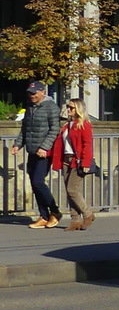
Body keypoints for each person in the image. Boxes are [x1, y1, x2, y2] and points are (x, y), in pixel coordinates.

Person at [11, 81, 61, 229]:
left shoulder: (51, 107)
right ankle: (44, 215)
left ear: (42, 92)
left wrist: (45, 147)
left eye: (34, 93)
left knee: (38, 181)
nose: (31, 95)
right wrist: (17, 144)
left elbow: (54, 129)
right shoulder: (30, 107)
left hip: (44, 152)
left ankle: (55, 212)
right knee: (34, 182)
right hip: (32, 150)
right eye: (29, 93)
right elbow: (25, 129)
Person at [51, 98, 96, 231]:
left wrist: (86, 161)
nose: (69, 109)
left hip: (77, 161)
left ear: (78, 109)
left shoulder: (84, 124)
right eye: (68, 107)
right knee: (69, 192)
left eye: (71, 107)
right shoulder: (67, 125)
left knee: (72, 190)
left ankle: (88, 214)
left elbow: (87, 144)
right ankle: (75, 219)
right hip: (66, 160)